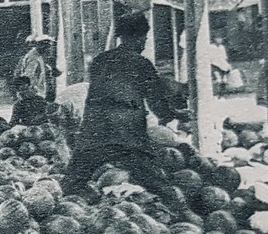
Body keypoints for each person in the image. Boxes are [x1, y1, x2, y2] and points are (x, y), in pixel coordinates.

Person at [64, 11, 190, 195]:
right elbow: (157, 104)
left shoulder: (100, 61)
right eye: (144, 38)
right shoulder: (142, 64)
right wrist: (175, 114)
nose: (144, 43)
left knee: (70, 185)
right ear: (139, 37)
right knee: (158, 185)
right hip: (127, 134)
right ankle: (182, 214)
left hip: (93, 132)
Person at [16, 34, 58, 102]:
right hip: (35, 93)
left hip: (39, 92)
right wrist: (33, 91)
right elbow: (29, 75)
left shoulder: (39, 56)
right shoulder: (33, 57)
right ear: (40, 45)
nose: (47, 49)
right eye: (46, 46)